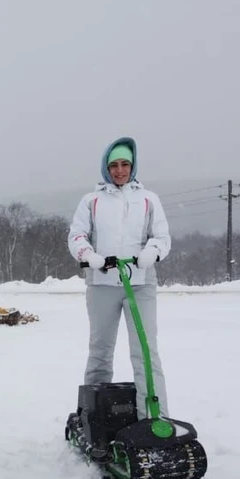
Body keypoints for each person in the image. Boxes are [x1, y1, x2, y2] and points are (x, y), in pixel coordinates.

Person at [67, 136, 171, 419]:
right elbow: (77, 235)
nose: (120, 170)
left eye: (125, 164)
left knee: (146, 352)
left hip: (141, 284)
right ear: (106, 167)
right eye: (114, 165)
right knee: (100, 350)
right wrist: (90, 256)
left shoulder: (149, 199)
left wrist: (152, 252)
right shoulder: (92, 201)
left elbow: (161, 236)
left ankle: (153, 416)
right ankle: (93, 416)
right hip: (101, 285)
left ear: (133, 165)